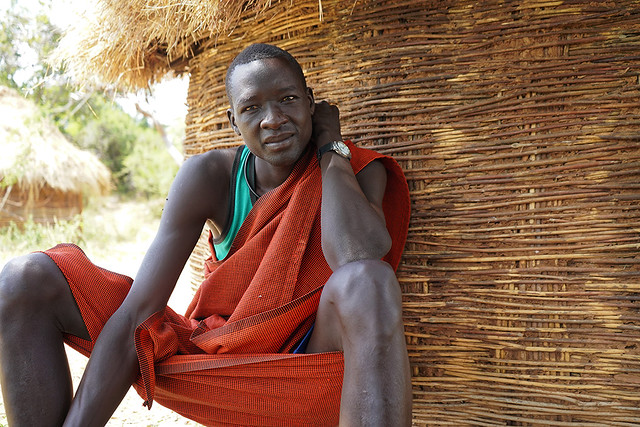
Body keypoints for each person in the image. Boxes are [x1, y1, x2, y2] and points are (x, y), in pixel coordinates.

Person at [0, 43, 412, 426]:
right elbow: (138, 311)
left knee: (368, 281)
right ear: (234, 121)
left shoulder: (353, 168)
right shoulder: (210, 177)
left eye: (288, 99)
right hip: (218, 365)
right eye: (252, 107)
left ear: (310, 102)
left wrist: (330, 146)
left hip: (308, 369)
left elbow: (357, 257)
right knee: (24, 279)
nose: (273, 119)